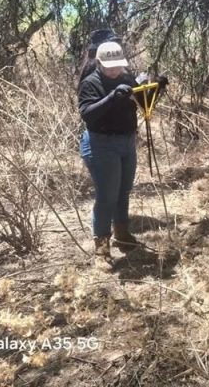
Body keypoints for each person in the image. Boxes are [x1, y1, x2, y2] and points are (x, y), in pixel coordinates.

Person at [78, 41, 144, 270]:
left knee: (124, 190)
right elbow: (87, 114)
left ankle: (122, 234)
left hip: (127, 142)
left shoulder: (127, 78)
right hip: (101, 144)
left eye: (118, 65)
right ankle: (101, 249)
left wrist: (157, 89)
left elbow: (143, 102)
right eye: (110, 66)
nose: (115, 70)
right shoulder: (90, 83)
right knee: (107, 196)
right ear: (99, 63)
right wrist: (111, 98)